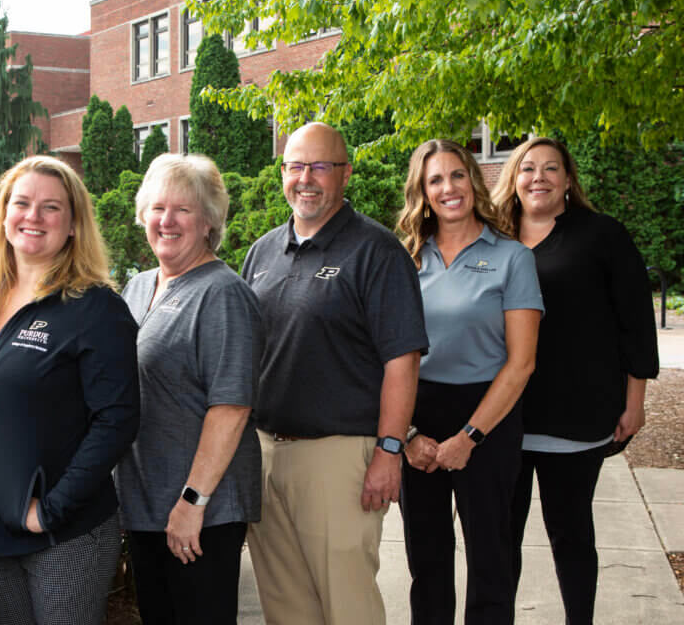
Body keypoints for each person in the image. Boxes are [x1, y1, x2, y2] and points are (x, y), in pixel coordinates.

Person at [0, 155, 140, 625]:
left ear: (73, 225)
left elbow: (117, 420)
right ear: (4, 213)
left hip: (62, 536)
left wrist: (50, 509)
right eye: (22, 202)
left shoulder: (95, 309)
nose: (33, 216)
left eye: (51, 207)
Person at [240, 122, 429, 625]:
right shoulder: (261, 253)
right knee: (285, 608)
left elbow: (402, 362)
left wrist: (390, 451)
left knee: (347, 608)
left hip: (340, 459)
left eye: (320, 166)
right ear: (282, 173)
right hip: (264, 453)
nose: (306, 178)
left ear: (345, 174)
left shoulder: (377, 252)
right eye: (295, 166)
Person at [492, 137, 659, 624]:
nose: (538, 177)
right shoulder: (492, 239)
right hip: (504, 416)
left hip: (578, 414)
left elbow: (635, 321)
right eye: (527, 168)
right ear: (513, 178)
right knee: (500, 537)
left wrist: (635, 400)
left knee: (571, 535)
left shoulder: (601, 235)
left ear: (568, 179)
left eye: (550, 168)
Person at [395, 139, 543, 624]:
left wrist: (470, 436)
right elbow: (385, 357)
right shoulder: (404, 260)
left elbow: (520, 364)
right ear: (422, 190)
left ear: (474, 182)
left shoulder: (512, 258)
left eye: (457, 175)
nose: (448, 188)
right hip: (417, 412)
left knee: (491, 562)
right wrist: (409, 435)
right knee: (428, 561)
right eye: (435, 179)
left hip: (489, 416)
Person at [115, 154, 263, 625]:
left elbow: (231, 407)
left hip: (200, 509)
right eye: (157, 208)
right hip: (144, 502)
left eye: (183, 210)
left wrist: (192, 502)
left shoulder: (223, 293)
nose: (167, 220)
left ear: (208, 222)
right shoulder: (137, 288)